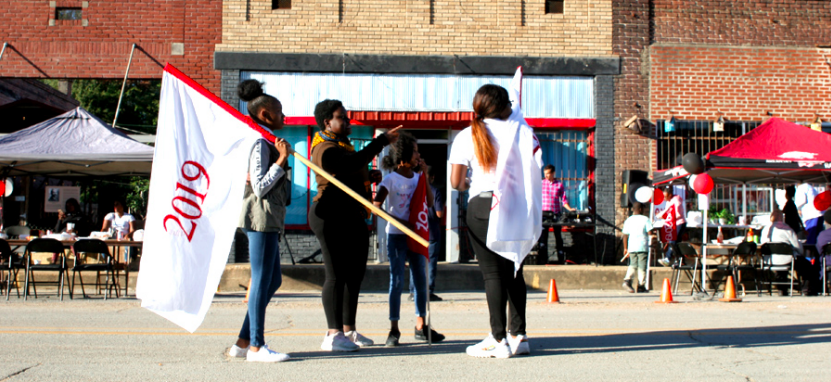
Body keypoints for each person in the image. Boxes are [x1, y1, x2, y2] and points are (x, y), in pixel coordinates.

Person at [309, 99, 401, 352]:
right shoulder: (324, 147)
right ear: (328, 122)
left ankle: (348, 331)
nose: (348, 122)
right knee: (336, 275)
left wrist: (368, 177)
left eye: (348, 117)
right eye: (343, 118)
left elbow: (351, 168)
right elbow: (344, 165)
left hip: (351, 214)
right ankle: (332, 334)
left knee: (354, 275)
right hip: (330, 214)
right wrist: (380, 141)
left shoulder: (343, 145)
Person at [450, 84, 534, 358]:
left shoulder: (467, 135)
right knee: (515, 269)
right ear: (501, 106)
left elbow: (456, 182)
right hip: (514, 205)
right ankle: (518, 335)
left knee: (493, 274)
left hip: (483, 204)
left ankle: (498, 340)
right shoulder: (521, 131)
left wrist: (468, 185)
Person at [227, 79, 292, 362]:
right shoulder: (259, 141)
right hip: (259, 217)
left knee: (273, 279)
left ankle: (242, 342)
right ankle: (256, 346)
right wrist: (281, 160)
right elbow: (260, 187)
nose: (284, 116)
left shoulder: (265, 138)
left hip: (270, 217)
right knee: (261, 279)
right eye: (279, 111)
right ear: (265, 114)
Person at [373, 133, 445, 347]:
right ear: (403, 155)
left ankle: (421, 326)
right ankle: (394, 329)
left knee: (420, 279)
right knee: (396, 281)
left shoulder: (417, 178)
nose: (418, 154)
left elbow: (430, 203)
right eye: (414, 150)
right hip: (397, 235)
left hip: (417, 234)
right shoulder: (391, 179)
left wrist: (423, 175)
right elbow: (376, 207)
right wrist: (400, 223)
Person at [760, 209, 817, 295]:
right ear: (781, 218)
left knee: (782, 266)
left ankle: (782, 289)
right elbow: (797, 246)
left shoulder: (766, 230)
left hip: (770, 260)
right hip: (788, 259)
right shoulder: (787, 229)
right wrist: (801, 252)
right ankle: (806, 289)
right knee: (807, 266)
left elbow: (763, 243)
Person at [409, 165, 444, 302]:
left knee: (415, 263)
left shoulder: (414, 191)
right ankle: (428, 291)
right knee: (430, 263)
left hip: (416, 232)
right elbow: (439, 213)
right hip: (432, 233)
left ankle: (413, 291)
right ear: (433, 177)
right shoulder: (436, 192)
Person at [539, 164, 575, 264]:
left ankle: (560, 258)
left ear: (553, 173)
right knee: (543, 237)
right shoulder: (541, 184)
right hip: (544, 214)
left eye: (548, 174)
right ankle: (543, 260)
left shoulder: (559, 185)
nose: (546, 176)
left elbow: (563, 200)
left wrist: (570, 209)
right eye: (544, 174)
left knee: (558, 236)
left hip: (555, 213)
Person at [621, 202, 652, 293]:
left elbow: (625, 235)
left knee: (633, 264)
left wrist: (625, 248)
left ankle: (627, 281)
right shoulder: (645, 219)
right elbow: (650, 233)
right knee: (642, 266)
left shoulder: (629, 220)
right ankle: (641, 285)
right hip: (642, 245)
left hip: (632, 246)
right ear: (641, 209)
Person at [656, 186, 686, 267]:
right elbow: (668, 212)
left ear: (670, 195)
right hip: (673, 224)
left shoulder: (676, 201)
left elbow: (678, 214)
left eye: (665, 196)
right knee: (676, 243)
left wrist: (667, 217)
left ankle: (668, 258)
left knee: (673, 241)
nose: (664, 198)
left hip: (679, 223)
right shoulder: (668, 201)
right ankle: (680, 259)